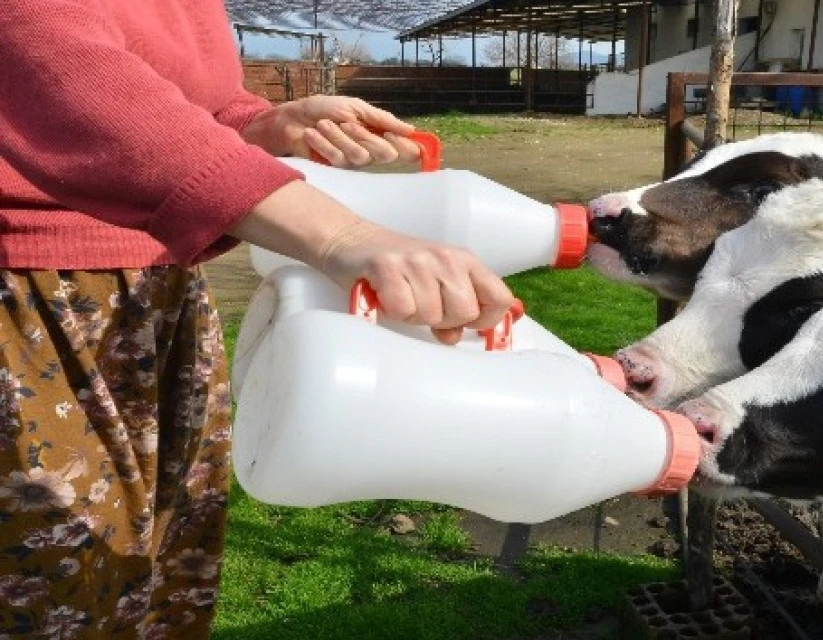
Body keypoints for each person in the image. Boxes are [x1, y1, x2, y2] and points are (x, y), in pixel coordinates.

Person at [0, 1, 514, 637]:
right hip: (29, 295)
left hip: (160, 283)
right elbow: (59, 67)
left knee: (165, 567)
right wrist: (340, 236)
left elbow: (182, 97)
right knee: (56, 580)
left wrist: (260, 123)